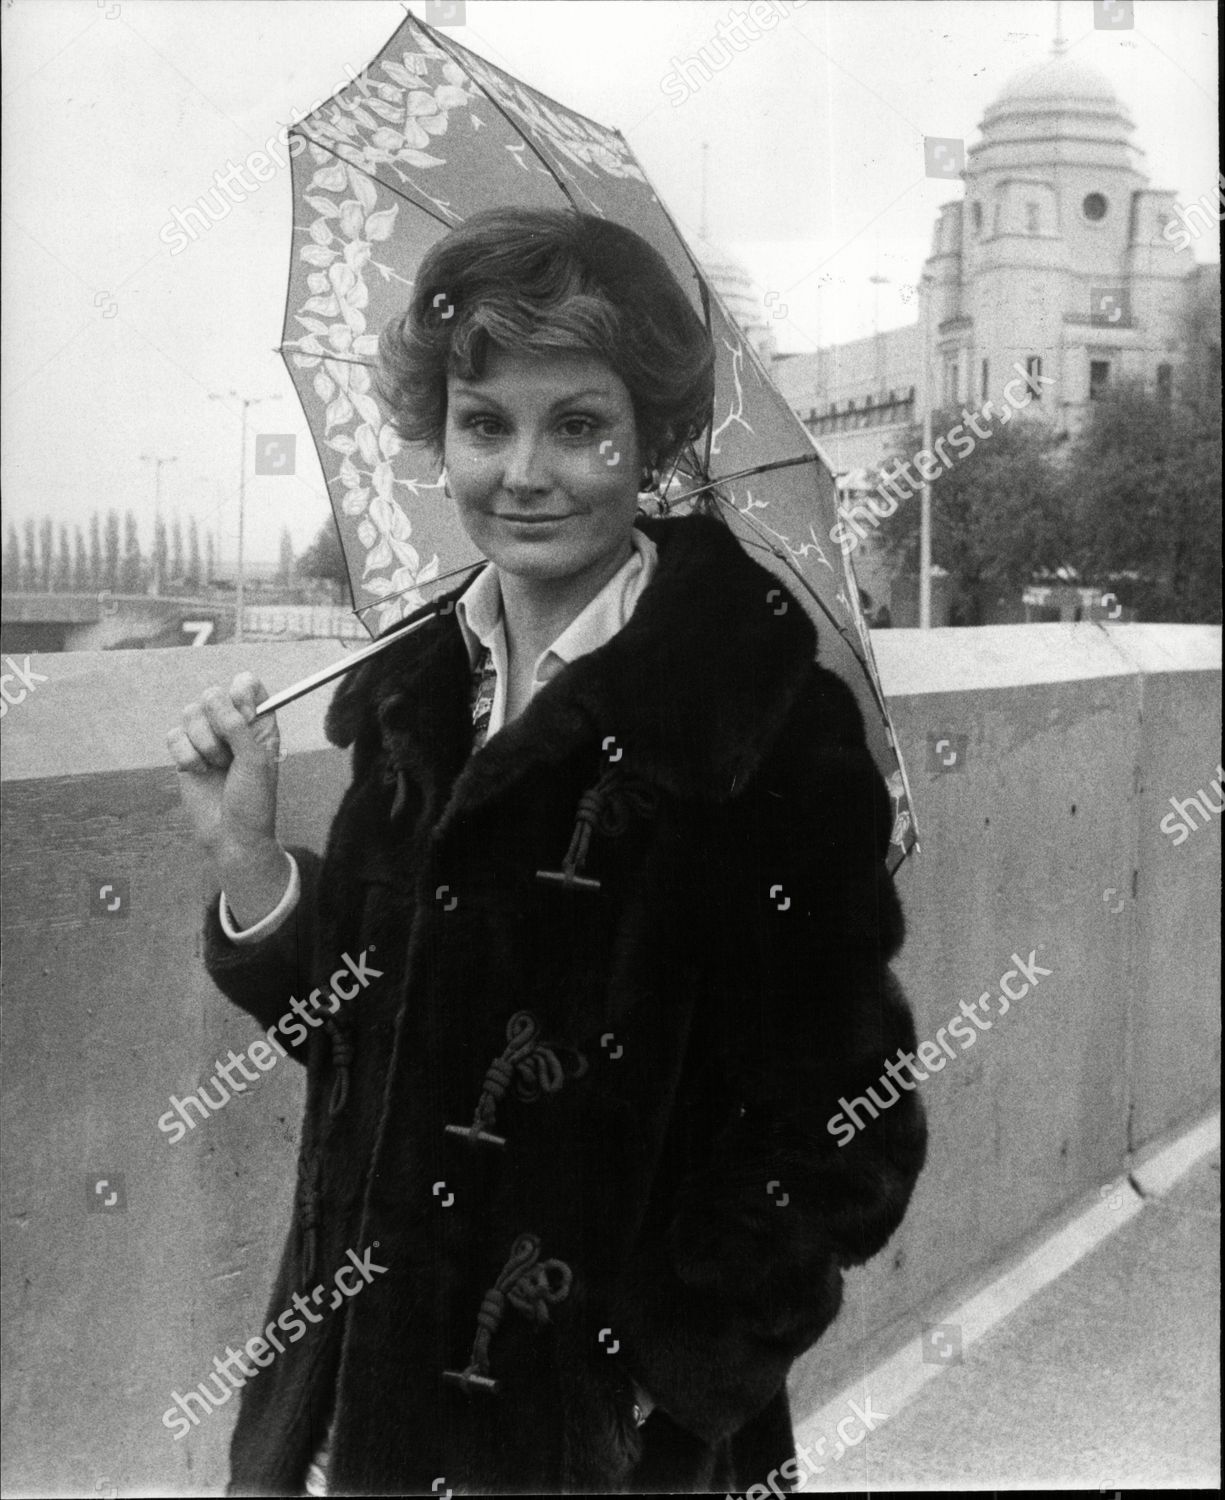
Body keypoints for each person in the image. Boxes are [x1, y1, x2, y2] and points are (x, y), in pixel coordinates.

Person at [167, 207, 927, 1496]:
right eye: (485, 425)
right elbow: (369, 1041)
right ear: (442, 436)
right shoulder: (415, 695)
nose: (524, 472)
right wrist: (249, 863)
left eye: (578, 425)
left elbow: (851, 1134)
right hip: (358, 1402)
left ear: (655, 443)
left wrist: (646, 1385)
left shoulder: (757, 724)